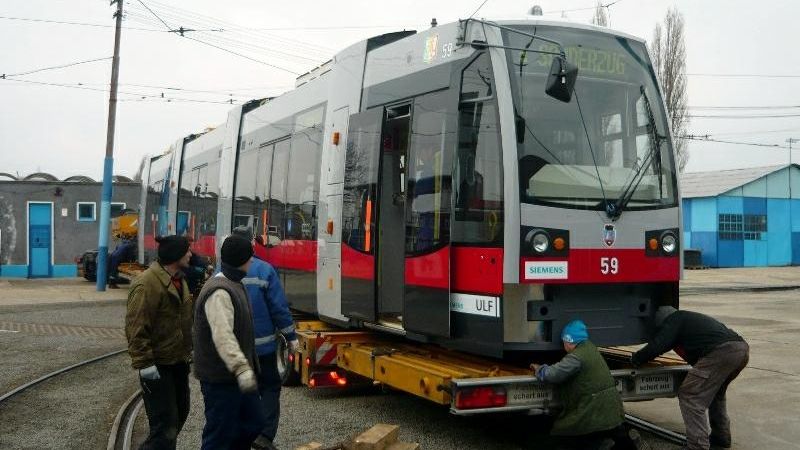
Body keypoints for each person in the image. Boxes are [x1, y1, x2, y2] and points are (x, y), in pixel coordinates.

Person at [631, 306, 749, 450]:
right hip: (740, 349)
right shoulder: (688, 320)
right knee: (716, 393)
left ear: (663, 321)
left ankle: (697, 446)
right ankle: (721, 437)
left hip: (721, 352)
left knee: (691, 396)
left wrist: (637, 359)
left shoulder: (674, 320)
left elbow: (658, 345)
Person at [193, 234, 266, 450]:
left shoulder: (235, 284)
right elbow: (223, 336)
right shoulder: (219, 292)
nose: (252, 260)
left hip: (235, 377)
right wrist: (241, 368)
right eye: (249, 256)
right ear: (240, 260)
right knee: (219, 434)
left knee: (253, 422)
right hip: (221, 379)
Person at [231, 226, 297, 450]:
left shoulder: (221, 272)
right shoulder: (265, 270)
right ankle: (264, 436)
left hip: (235, 350)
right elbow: (279, 308)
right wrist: (291, 336)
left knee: (239, 391)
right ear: (252, 243)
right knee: (269, 388)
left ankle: (240, 434)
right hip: (264, 349)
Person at [125, 235, 193, 450]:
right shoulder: (147, 284)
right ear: (176, 255)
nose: (190, 254)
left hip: (177, 362)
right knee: (165, 427)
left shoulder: (179, 280)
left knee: (179, 415)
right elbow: (136, 327)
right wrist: (145, 364)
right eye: (187, 251)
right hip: (158, 365)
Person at [531, 320, 636, 450]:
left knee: (567, 436)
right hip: (612, 409)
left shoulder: (576, 357)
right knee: (615, 433)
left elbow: (553, 374)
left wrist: (539, 369)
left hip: (592, 409)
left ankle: (603, 445)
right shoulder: (591, 348)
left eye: (563, 342)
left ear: (568, 341)